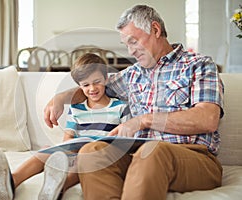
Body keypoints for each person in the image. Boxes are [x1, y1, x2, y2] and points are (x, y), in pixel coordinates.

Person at [44, 5, 224, 200]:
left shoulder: (199, 65)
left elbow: (207, 118)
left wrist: (143, 120)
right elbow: (94, 88)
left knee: (152, 151)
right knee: (92, 151)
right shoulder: (132, 74)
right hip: (137, 155)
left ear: (155, 30)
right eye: (126, 44)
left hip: (194, 157)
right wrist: (62, 98)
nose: (130, 51)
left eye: (133, 41)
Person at [0, 53, 130, 200]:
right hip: (75, 150)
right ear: (79, 86)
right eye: (86, 85)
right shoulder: (77, 108)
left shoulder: (120, 107)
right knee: (46, 152)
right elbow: (69, 136)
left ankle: (59, 188)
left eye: (97, 82)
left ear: (106, 79)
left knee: (85, 158)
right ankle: (12, 181)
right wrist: (60, 150)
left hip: (99, 155)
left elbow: (125, 139)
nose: (92, 88)